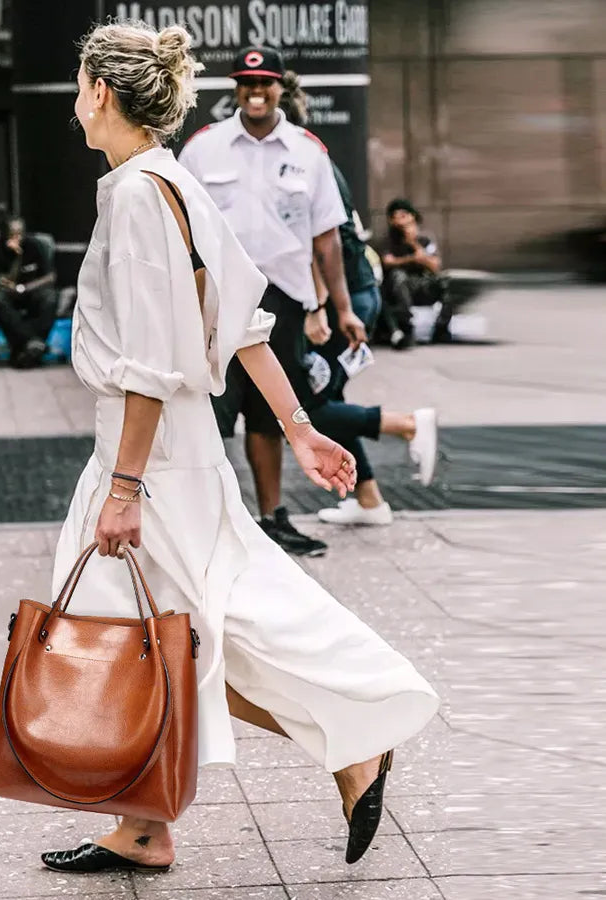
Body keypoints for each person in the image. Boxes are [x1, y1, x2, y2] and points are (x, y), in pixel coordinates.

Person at [33, 22, 439, 875]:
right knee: (169, 634)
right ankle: (150, 822)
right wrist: (298, 425)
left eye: (79, 86)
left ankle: (347, 741)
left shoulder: (138, 193)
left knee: (149, 636)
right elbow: (244, 318)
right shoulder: (173, 180)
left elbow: (150, 361)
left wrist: (124, 486)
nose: (75, 102)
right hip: (171, 451)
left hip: (147, 456)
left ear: (102, 93)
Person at [177, 46, 369, 558]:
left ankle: (271, 518)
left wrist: (340, 308)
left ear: (281, 86)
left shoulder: (308, 150)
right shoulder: (203, 148)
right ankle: (208, 524)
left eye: (265, 82)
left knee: (271, 416)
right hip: (215, 300)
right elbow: (179, 233)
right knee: (210, 413)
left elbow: (327, 238)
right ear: (236, 89)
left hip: (283, 299)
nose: (255, 91)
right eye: (246, 82)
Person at [278, 74, 438, 524]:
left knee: (311, 405)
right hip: (353, 291)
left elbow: (317, 242)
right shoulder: (316, 157)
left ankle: (407, 424)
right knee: (327, 399)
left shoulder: (300, 162)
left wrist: (318, 309)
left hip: (339, 296)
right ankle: (369, 500)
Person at [0, 212, 57, 368]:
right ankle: (33, 343)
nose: (17, 238)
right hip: (8, 293)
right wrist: (17, 257)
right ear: (4, 234)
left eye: (20, 234)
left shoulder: (35, 245)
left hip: (31, 289)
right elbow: (2, 281)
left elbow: (50, 277)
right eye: (12, 234)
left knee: (50, 298)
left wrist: (25, 288)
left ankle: (27, 345)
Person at [379, 198, 451, 350]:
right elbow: (388, 262)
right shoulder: (389, 240)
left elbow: (435, 266)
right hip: (400, 288)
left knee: (446, 281)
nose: (399, 220)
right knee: (398, 278)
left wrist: (413, 243)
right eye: (395, 216)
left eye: (403, 215)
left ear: (413, 216)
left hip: (423, 284)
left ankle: (442, 327)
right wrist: (411, 258)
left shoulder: (425, 239)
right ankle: (406, 327)